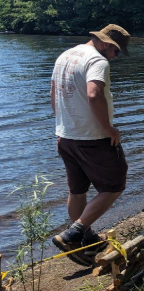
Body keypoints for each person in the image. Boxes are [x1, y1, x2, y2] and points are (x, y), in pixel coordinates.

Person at [51, 24, 131, 259]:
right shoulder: (98, 61)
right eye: (116, 51)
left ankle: (83, 240)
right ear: (106, 44)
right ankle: (72, 235)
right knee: (114, 186)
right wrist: (109, 129)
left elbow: (53, 93)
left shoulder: (65, 55)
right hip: (93, 138)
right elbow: (94, 94)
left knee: (77, 190)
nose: (116, 57)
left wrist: (62, 126)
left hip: (66, 137)